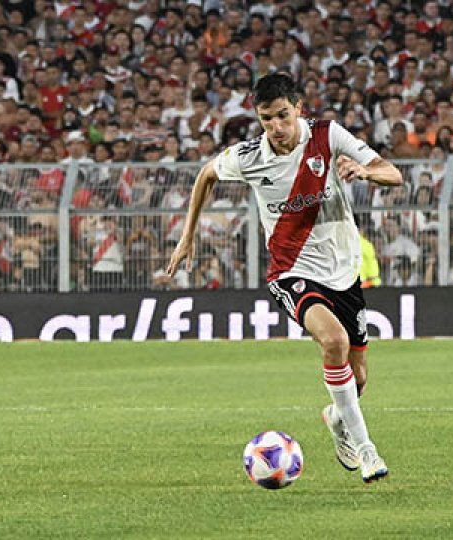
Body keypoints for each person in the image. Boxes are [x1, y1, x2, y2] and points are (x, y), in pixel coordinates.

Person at [166, 73, 403, 483]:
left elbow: (392, 173)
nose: (275, 128)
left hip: (344, 272)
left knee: (359, 377)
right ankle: (367, 451)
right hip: (291, 272)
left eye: (282, 116)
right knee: (333, 341)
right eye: (266, 119)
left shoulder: (327, 136)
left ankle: (337, 416)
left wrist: (364, 172)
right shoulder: (250, 156)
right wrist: (187, 237)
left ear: (298, 109)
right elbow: (206, 174)